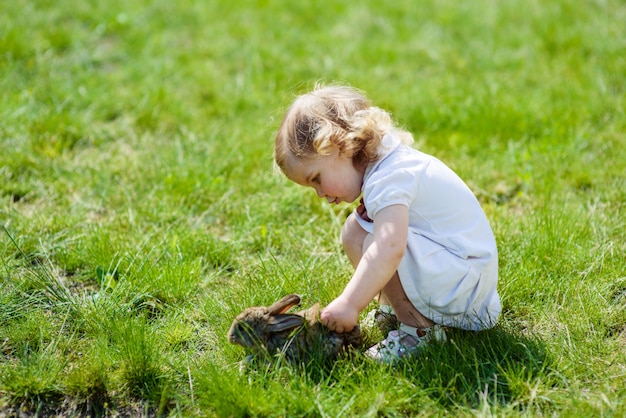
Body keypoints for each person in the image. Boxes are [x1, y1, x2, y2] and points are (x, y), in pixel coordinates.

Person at [273, 84, 501, 363]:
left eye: (317, 178)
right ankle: (398, 309)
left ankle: (419, 330)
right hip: (456, 272)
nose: (320, 193)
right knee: (355, 231)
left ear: (338, 146)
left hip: (467, 288)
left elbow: (390, 248)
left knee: (378, 243)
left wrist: (350, 303)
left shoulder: (389, 177)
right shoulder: (382, 164)